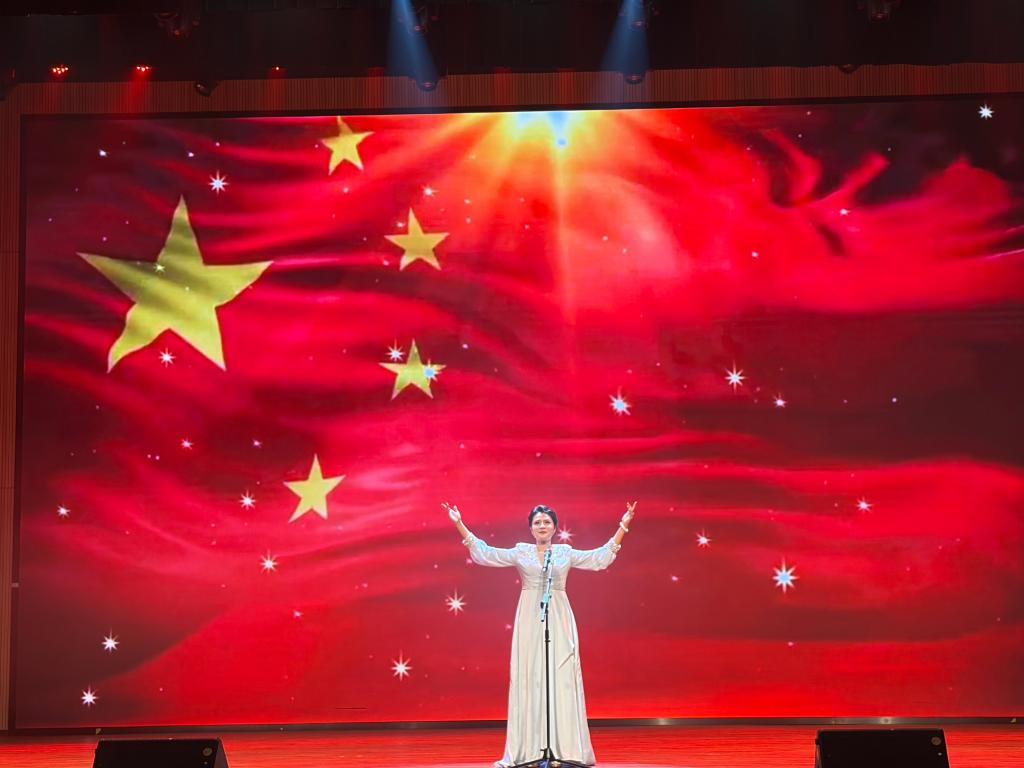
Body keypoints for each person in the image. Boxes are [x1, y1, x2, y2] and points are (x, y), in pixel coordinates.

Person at [444, 500, 637, 768]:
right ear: (531, 528)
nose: (542, 526)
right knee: (530, 674)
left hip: (559, 614)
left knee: (561, 676)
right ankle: (529, 751)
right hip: (529, 615)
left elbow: (599, 558)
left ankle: (564, 749)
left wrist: (623, 526)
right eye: (537, 522)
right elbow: (486, 553)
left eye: (547, 522)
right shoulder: (521, 551)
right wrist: (459, 523)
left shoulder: (565, 552)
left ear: (555, 528)